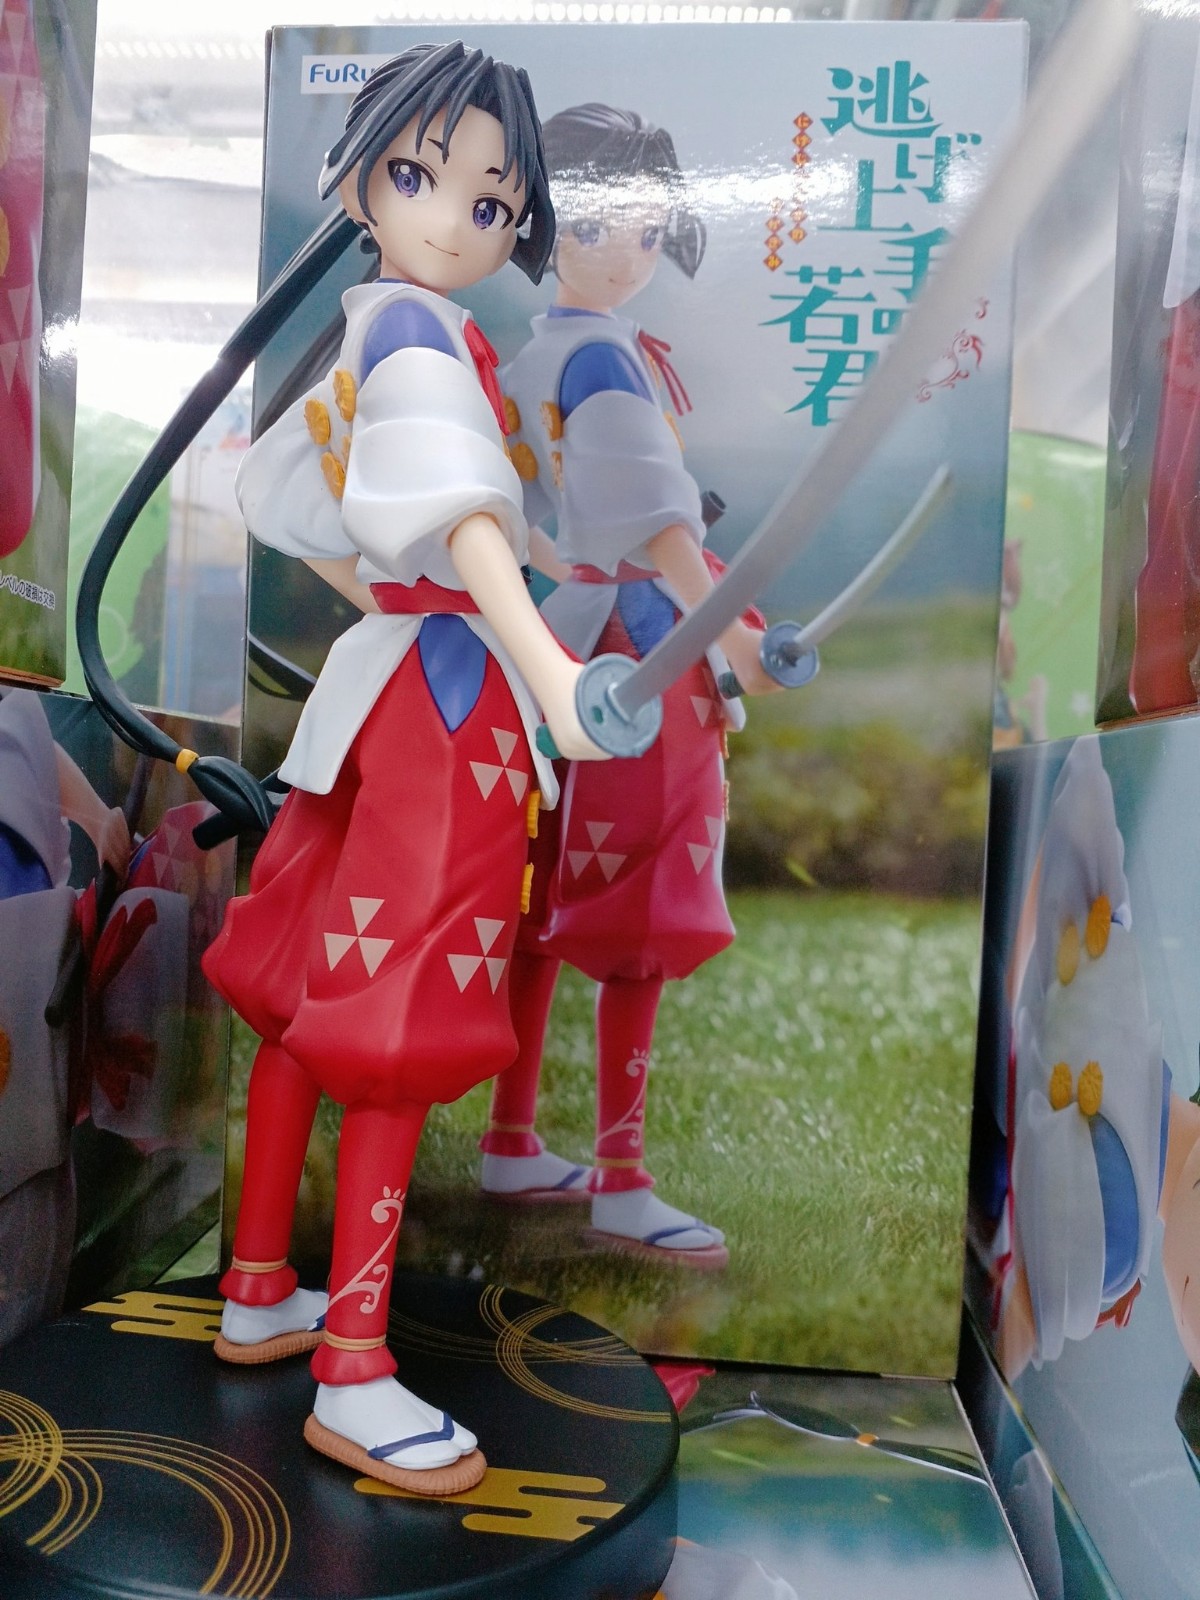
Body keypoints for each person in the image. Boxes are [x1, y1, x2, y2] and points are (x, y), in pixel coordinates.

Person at [201, 43, 605, 1494]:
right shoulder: (422, 333)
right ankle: (355, 1367)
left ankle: (260, 1283)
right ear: (363, 178)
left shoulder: (375, 326)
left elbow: (288, 494)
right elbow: (458, 509)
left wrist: (399, 598)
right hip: (445, 714)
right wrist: (547, 671)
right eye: (421, 176)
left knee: (309, 983)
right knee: (398, 1012)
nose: (452, 219)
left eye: (491, 203)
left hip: (374, 692)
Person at [479, 104, 776, 1266]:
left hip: (559, 647)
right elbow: (659, 525)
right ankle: (620, 1177)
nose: (624, 252)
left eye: (646, 231)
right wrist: (729, 634)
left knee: (545, 897)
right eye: (599, 225)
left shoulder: (536, 356)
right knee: (634, 913)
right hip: (633, 663)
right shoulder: (599, 359)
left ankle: (513, 1138)